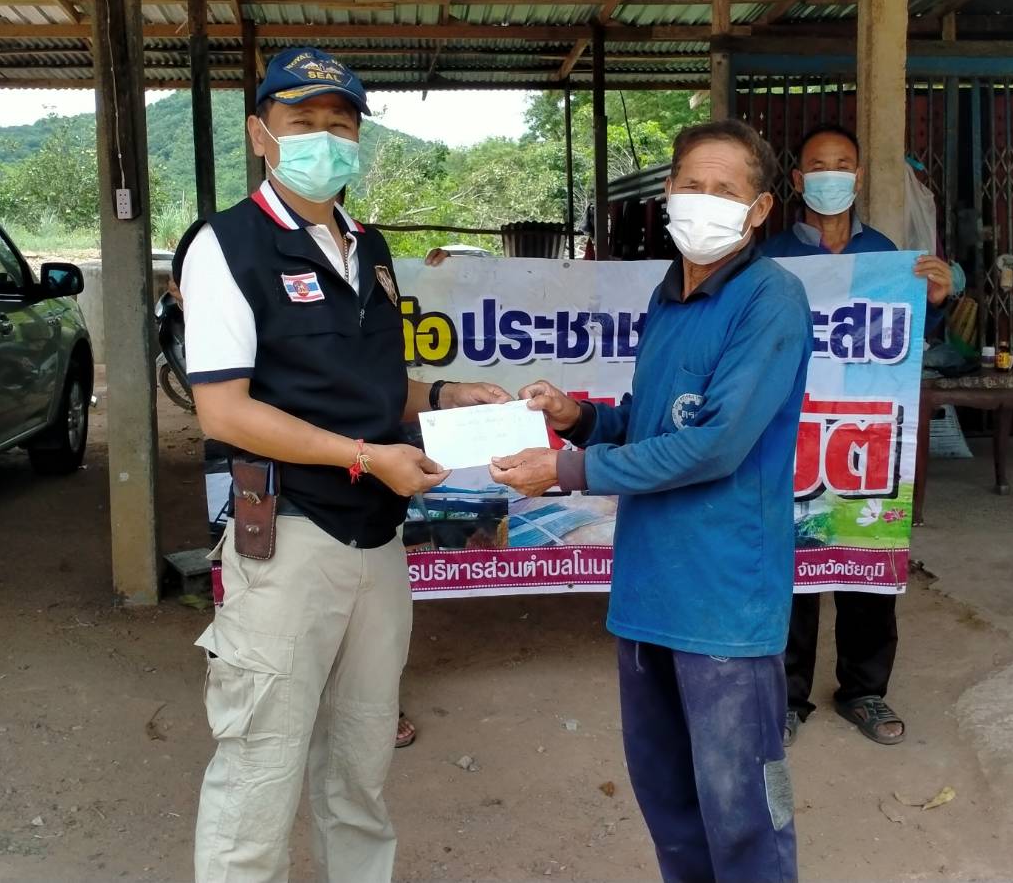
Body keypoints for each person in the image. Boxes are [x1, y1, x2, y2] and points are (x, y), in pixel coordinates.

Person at [177, 46, 510, 883]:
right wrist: (365, 456)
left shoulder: (369, 247)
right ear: (260, 133)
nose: (323, 138)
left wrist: (443, 397)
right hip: (289, 538)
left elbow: (374, 386)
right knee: (258, 773)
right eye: (302, 122)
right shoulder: (226, 246)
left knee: (360, 767)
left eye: (340, 124)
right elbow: (225, 411)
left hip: (377, 539)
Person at [491, 120, 812, 883]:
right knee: (667, 802)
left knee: (742, 816)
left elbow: (713, 445)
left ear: (760, 208)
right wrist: (579, 418)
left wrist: (566, 468)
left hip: (725, 600)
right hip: (648, 591)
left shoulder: (771, 298)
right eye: (691, 185)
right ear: (666, 192)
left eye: (725, 190)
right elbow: (654, 422)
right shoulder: (668, 297)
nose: (704, 200)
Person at [760, 123, 954, 748]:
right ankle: (786, 697)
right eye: (818, 165)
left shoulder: (885, 256)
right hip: (788, 432)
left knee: (866, 551)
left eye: (842, 164)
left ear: (859, 176)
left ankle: (864, 690)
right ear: (798, 179)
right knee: (791, 564)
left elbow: (908, 333)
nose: (831, 175)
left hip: (866, 434)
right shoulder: (768, 259)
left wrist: (936, 299)